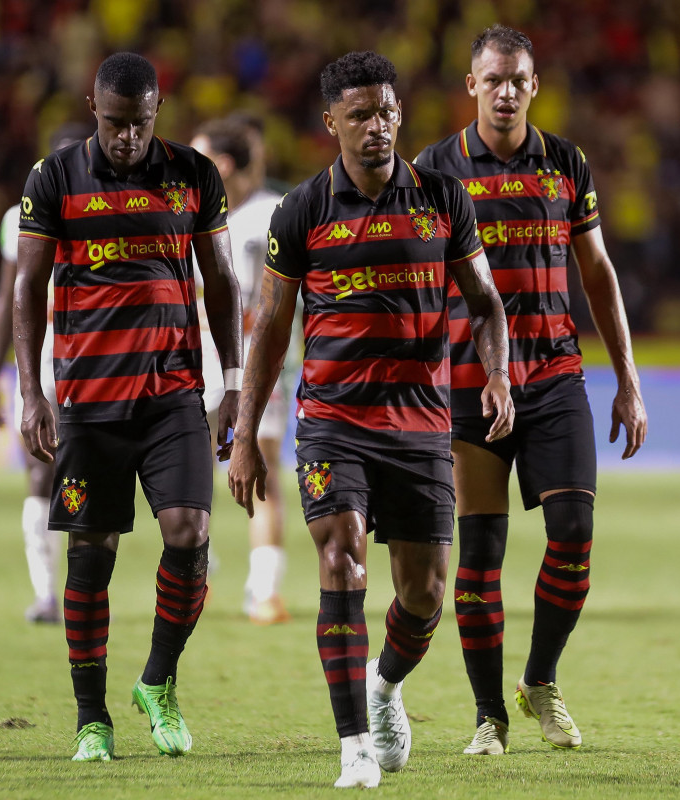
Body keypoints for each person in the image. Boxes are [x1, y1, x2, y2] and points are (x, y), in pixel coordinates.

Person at [225, 51, 513, 788]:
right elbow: (269, 329)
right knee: (340, 558)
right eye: (360, 115)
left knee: (424, 595)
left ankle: (384, 686)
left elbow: (483, 302)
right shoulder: (303, 212)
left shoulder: (443, 198)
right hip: (332, 420)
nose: (378, 126)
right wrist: (245, 438)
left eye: (386, 111)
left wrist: (499, 376)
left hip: (419, 420)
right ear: (331, 123)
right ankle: (353, 742)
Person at [414, 24, 648, 755]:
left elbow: (597, 272)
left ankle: (539, 679)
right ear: (472, 86)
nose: (507, 91)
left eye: (519, 79)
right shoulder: (435, 169)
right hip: (466, 384)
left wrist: (628, 381)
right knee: (480, 555)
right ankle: (490, 715)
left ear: (534, 86)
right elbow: (416, 280)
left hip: (552, 376)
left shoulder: (565, 163)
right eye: (494, 80)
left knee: (574, 534)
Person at [13, 52, 243, 763]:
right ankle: (92, 720)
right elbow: (27, 289)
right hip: (88, 401)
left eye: (137, 124)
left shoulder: (194, 176)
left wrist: (232, 384)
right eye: (113, 124)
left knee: (190, 531)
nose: (125, 138)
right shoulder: (53, 180)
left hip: (174, 394)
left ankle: (159, 682)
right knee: (92, 555)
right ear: (93, 109)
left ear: (156, 112)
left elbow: (223, 282)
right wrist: (30, 392)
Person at [191, 114, 295, 625]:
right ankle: (195, 576)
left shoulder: (274, 213)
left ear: (222, 163)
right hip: (196, 360)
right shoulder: (192, 215)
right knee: (189, 473)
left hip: (257, 362)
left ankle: (264, 589)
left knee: (263, 468)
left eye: (199, 152)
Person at [0, 122, 88, 625]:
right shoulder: (21, 215)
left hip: (103, 354)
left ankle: (80, 590)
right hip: (50, 353)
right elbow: (10, 296)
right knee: (41, 467)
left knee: (89, 469)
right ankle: (47, 593)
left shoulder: (109, 205)